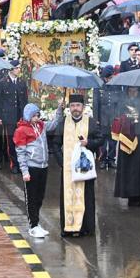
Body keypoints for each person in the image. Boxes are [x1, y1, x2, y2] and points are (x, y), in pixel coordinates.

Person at [48, 94, 102, 237]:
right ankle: (68, 227)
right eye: (72, 106)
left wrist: (88, 143)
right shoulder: (63, 123)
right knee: (67, 197)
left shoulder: (90, 122)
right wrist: (61, 162)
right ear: (69, 108)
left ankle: (84, 228)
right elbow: (55, 144)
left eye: (78, 106)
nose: (75, 109)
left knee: (86, 197)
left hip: (84, 169)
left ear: (83, 107)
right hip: (68, 170)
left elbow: (100, 139)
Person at [14, 103, 62, 238]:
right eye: (34, 116)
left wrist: (59, 110)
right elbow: (20, 153)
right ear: (28, 116)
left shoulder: (41, 126)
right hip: (31, 167)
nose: (37, 118)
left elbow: (54, 124)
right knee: (31, 198)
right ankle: (33, 225)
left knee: (40, 197)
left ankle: (36, 222)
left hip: (43, 166)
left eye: (38, 115)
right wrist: (24, 171)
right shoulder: (21, 131)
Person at [0, 60, 28, 174]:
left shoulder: (21, 82)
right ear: (11, 69)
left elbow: (25, 100)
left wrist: (26, 115)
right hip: (8, 116)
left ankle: (22, 163)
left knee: (21, 141)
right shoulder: (2, 82)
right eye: (17, 68)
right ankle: (13, 164)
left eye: (19, 68)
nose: (19, 70)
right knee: (11, 141)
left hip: (20, 116)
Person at [93, 65, 118, 170]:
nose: (109, 79)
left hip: (113, 117)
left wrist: (118, 117)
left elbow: (118, 102)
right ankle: (103, 160)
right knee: (103, 141)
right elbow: (96, 103)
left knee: (113, 141)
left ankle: (111, 160)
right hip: (102, 117)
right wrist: (96, 119)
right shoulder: (98, 86)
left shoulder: (116, 85)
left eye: (111, 77)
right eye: (108, 77)